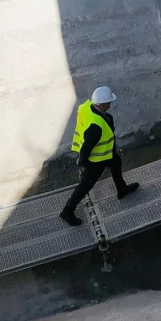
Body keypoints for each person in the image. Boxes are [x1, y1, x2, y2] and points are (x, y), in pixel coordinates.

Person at [59, 86, 140, 226]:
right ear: (102, 105)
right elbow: (86, 148)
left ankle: (122, 190)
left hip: (108, 153)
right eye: (109, 102)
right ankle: (67, 211)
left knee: (116, 163)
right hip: (96, 159)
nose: (110, 104)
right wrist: (83, 162)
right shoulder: (97, 126)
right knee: (86, 184)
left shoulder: (87, 106)